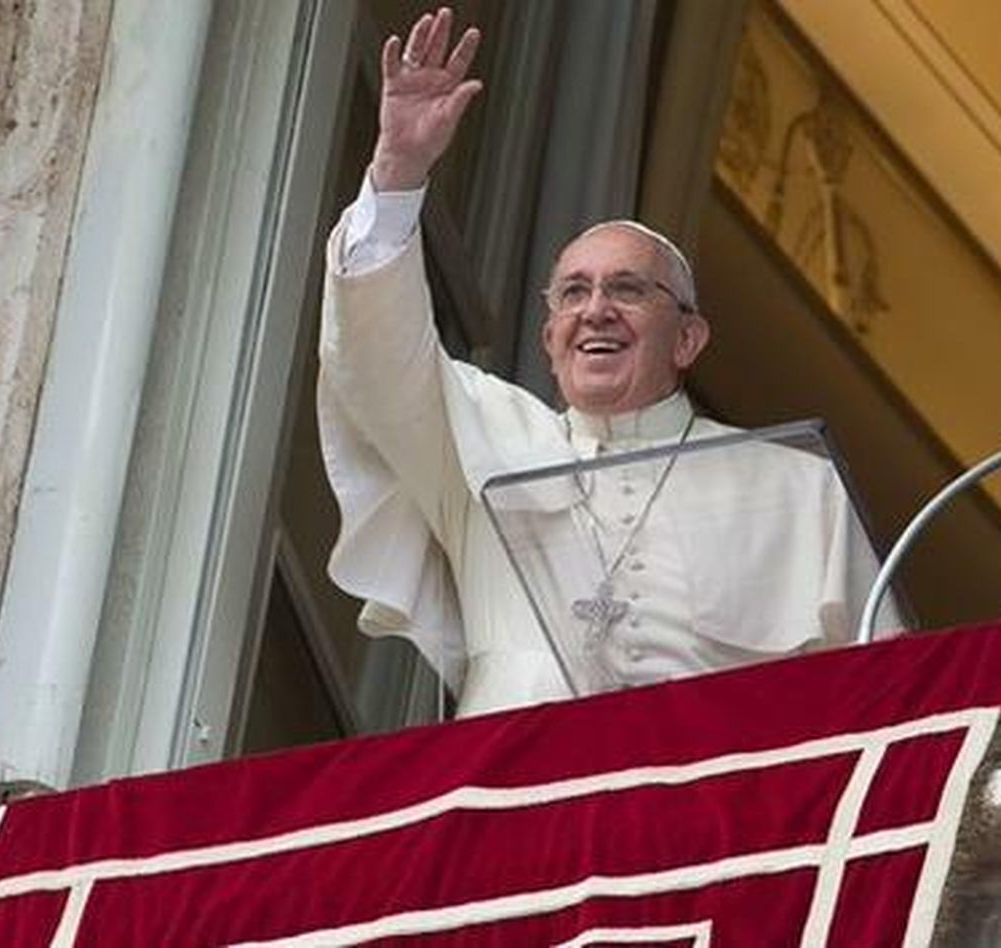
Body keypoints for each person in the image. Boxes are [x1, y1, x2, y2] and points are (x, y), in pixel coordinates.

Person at [318, 8, 884, 716]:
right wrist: (398, 173)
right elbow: (374, 360)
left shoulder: (795, 488)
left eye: (627, 289)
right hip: (514, 789)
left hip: (711, 804)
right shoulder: (483, 437)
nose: (595, 310)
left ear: (688, 340)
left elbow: (880, 691)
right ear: (551, 337)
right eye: (574, 294)